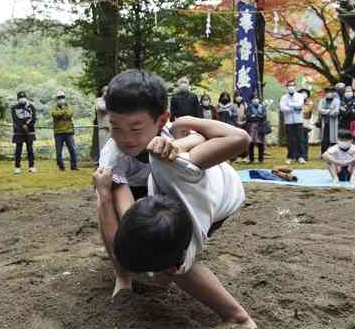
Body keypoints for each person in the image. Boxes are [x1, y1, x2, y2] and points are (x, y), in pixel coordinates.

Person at [95, 71, 256, 328]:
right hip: (172, 195)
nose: (125, 138)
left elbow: (238, 139)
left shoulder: (176, 159)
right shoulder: (114, 156)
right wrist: (109, 202)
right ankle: (124, 276)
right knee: (156, 254)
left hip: (216, 199)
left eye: (136, 128)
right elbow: (128, 219)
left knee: (172, 265)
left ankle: (237, 317)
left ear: (161, 121)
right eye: (115, 127)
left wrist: (189, 131)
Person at [279, 80, 305, 164]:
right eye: (289, 85)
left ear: (295, 87)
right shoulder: (283, 97)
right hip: (288, 121)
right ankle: (290, 156)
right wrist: (294, 107)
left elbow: (300, 105)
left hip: (298, 121)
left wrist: (289, 105)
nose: (291, 87)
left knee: (300, 139)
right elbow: (283, 108)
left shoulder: (300, 96)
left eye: (292, 85)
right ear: (287, 87)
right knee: (290, 140)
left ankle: (301, 156)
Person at [51, 90, 77, 171]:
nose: (61, 99)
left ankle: (74, 166)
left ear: (64, 97)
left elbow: (70, 114)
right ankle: (61, 167)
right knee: (58, 152)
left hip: (69, 132)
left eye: (62, 97)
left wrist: (62, 111)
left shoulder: (69, 106)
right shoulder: (54, 107)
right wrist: (64, 110)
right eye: (59, 97)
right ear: (57, 98)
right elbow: (55, 114)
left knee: (72, 150)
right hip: (58, 132)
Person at [11, 91, 36, 174]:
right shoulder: (14, 108)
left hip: (29, 131)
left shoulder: (31, 107)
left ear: (26, 98)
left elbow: (33, 118)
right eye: (20, 98)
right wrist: (22, 125)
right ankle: (17, 167)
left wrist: (27, 125)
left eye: (23, 97)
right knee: (18, 150)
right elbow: (15, 119)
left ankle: (31, 166)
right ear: (18, 99)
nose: (22, 99)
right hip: (19, 132)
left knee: (30, 149)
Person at [318, 88, 340, 155]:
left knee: (334, 139)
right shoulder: (322, 100)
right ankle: (323, 153)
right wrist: (330, 111)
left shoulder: (337, 101)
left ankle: (334, 153)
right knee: (324, 139)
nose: (329, 94)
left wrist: (325, 111)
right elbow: (319, 110)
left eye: (331, 92)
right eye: (327, 92)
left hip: (333, 122)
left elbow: (336, 112)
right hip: (325, 122)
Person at [245, 95, 266, 163]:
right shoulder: (249, 107)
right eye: (254, 99)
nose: (255, 100)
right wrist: (257, 116)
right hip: (251, 127)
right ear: (251, 100)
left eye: (256, 98)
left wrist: (255, 116)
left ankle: (261, 159)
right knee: (251, 143)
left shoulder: (262, 107)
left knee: (261, 143)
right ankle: (251, 159)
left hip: (260, 126)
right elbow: (248, 117)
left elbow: (264, 116)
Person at [300, 88, 313, 161]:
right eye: (302, 93)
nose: (303, 94)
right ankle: (299, 155)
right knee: (299, 140)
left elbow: (306, 111)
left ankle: (305, 155)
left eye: (305, 93)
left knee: (304, 140)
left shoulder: (309, 102)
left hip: (306, 123)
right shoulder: (297, 101)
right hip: (297, 123)